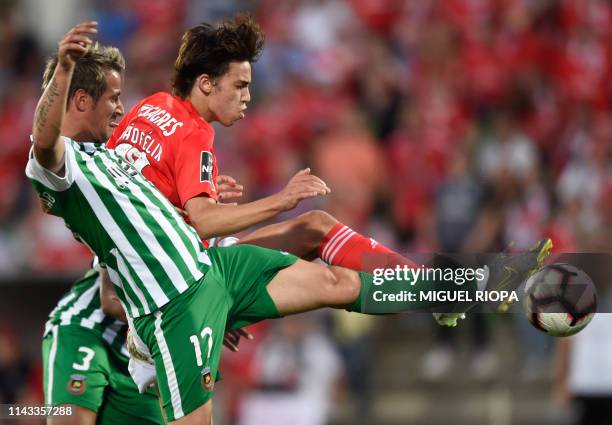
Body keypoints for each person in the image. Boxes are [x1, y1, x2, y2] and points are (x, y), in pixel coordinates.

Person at [27, 21, 550, 425]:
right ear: (207, 83)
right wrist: (278, 200)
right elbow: (157, 229)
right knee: (309, 225)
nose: (249, 97)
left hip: (198, 271)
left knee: (329, 263)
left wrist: (191, 210)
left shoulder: (138, 126)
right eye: (241, 85)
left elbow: (141, 220)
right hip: (174, 298)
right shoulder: (110, 152)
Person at [37, 43, 163, 425]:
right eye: (115, 98)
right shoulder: (84, 173)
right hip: (88, 328)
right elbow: (111, 298)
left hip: (135, 347)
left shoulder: (121, 171)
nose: (123, 110)